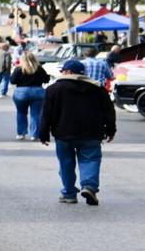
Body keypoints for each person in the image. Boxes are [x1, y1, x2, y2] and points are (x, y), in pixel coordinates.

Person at [38, 58, 115, 205]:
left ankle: (69, 194)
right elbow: (109, 112)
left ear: (67, 72)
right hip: (91, 132)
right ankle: (89, 186)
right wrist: (111, 130)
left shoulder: (54, 89)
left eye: (62, 71)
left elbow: (46, 113)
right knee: (91, 159)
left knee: (66, 162)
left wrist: (43, 133)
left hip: (63, 132)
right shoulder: (98, 89)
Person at [10, 50, 49, 140]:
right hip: (37, 92)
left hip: (21, 93)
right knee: (36, 114)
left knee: (21, 113)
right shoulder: (39, 69)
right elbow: (46, 79)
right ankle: (34, 135)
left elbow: (12, 81)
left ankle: (21, 133)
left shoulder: (19, 69)